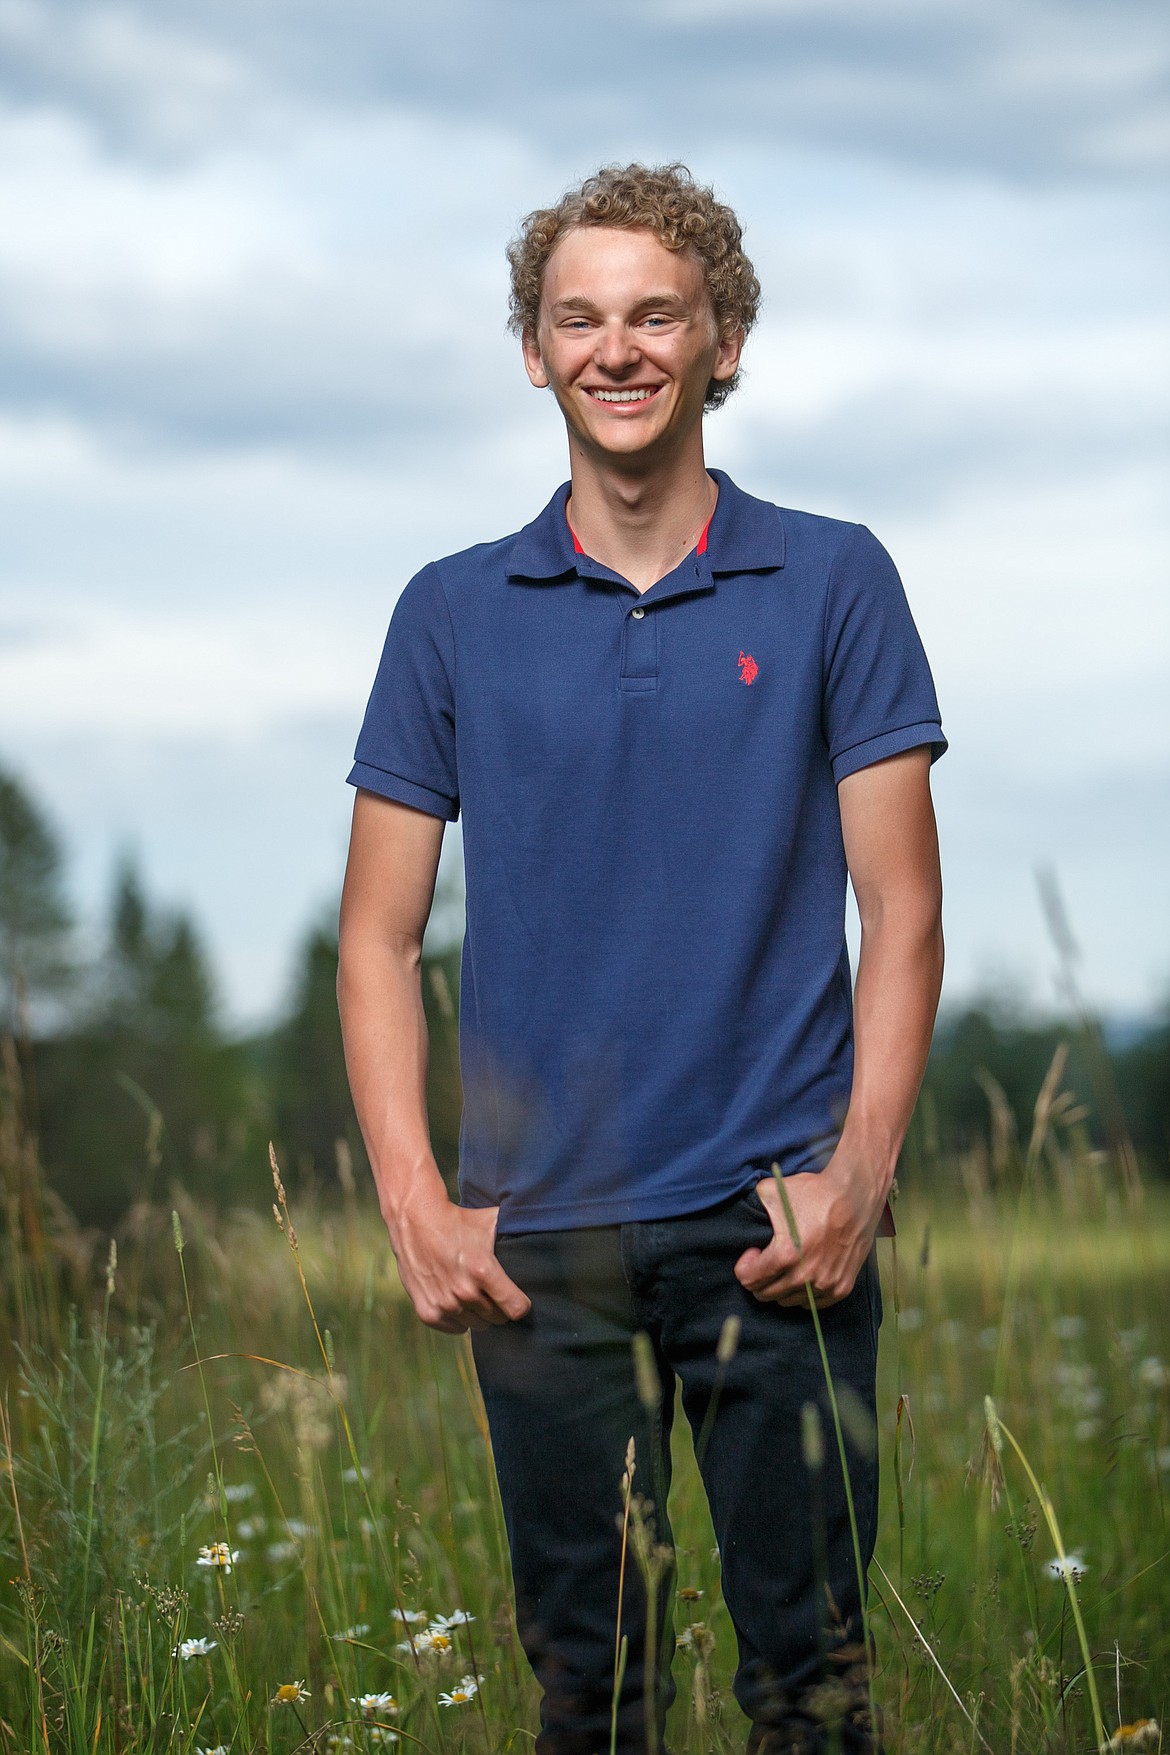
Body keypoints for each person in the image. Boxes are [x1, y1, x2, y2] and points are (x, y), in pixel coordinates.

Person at [338, 162, 945, 1755]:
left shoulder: (834, 580)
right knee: (588, 1698)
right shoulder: (449, 612)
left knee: (808, 1692)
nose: (617, 348)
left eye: (655, 315)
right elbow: (376, 935)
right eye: (578, 318)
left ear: (722, 341)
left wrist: (856, 1174)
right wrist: (414, 1198)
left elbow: (904, 911)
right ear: (532, 352)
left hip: (772, 1227)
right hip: (540, 1247)